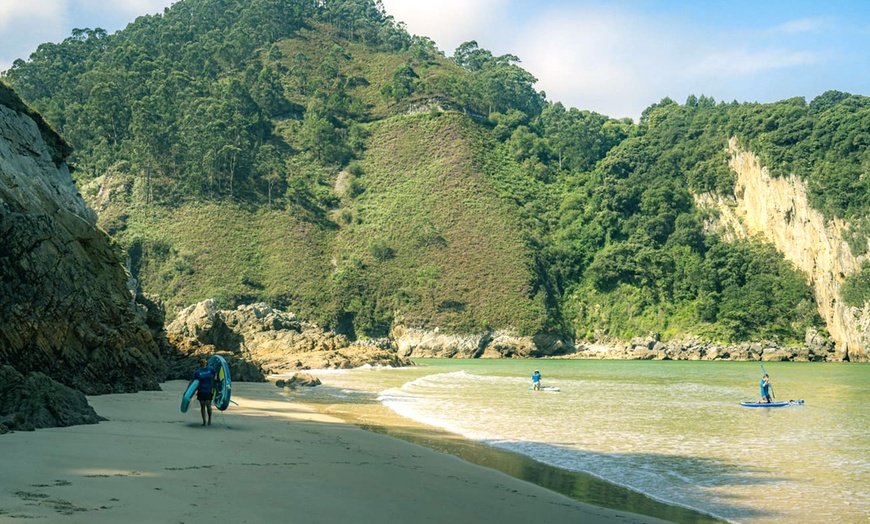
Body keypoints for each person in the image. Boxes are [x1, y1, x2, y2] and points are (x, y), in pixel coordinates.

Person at [190, 358, 216, 426]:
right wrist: (188, 390)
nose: (203, 362)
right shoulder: (198, 372)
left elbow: (216, 373)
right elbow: (192, 381)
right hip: (201, 390)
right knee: (202, 406)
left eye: (204, 361)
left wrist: (216, 378)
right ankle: (204, 421)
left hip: (209, 390)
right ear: (200, 363)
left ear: (206, 362)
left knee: (208, 405)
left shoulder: (210, 369)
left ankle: (209, 419)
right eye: (201, 361)